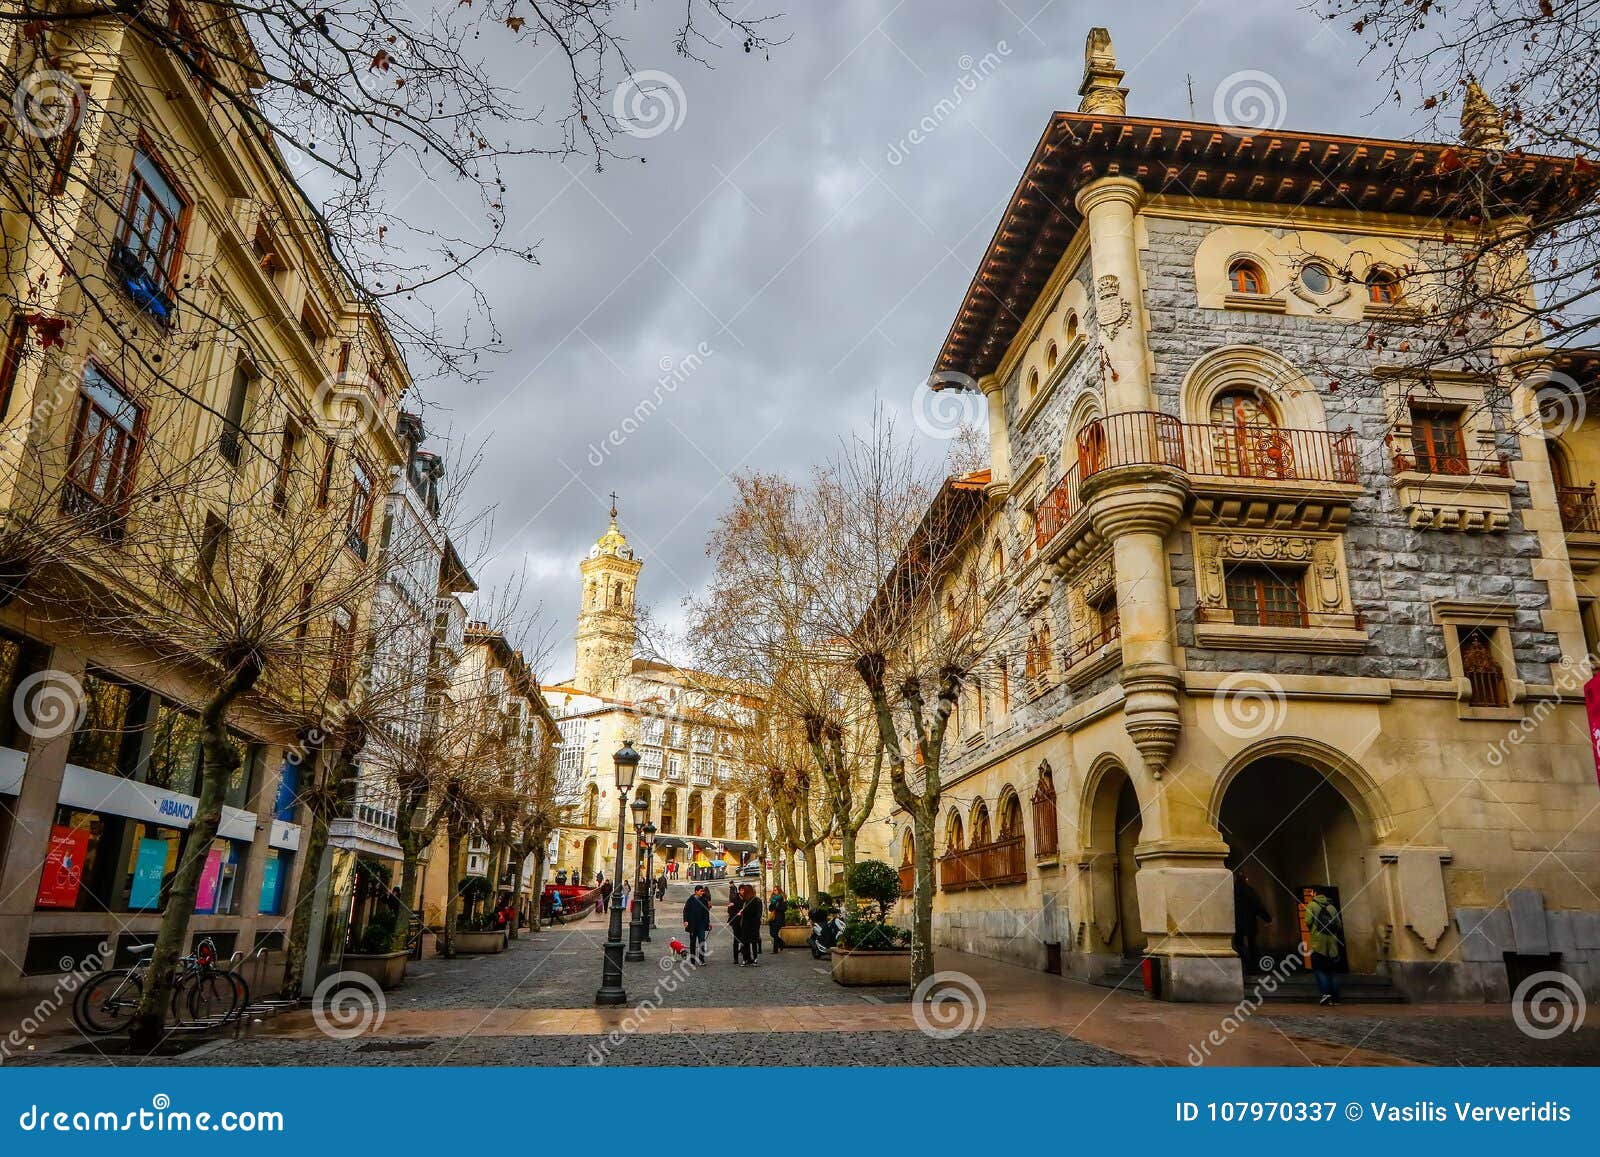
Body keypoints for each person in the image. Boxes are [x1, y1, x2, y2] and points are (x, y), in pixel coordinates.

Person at [1304, 888, 1343, 1006]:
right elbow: (1339, 925)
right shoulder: (1332, 907)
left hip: (1318, 943)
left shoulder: (1311, 905)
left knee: (1320, 970)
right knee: (1332, 971)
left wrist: (1314, 930)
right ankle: (1335, 997)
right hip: (1332, 945)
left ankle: (1326, 994)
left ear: (1314, 893)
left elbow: (1307, 921)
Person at [1232, 870, 1272, 972]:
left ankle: (1245, 961)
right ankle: (1253, 966)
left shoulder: (1232, 891)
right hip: (1250, 922)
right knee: (1252, 945)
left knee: (1238, 943)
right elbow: (1257, 905)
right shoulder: (1250, 891)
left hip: (1237, 922)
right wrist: (1267, 918)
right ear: (1245, 880)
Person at [734, 884, 764, 966]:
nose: (743, 892)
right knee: (745, 942)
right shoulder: (745, 901)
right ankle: (745, 959)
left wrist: (743, 912)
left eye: (744, 891)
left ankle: (755, 959)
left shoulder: (756, 900)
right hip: (745, 925)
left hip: (753, 925)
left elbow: (758, 914)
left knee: (753, 942)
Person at [682, 884, 711, 964]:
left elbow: (706, 912)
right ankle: (692, 960)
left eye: (702, 891)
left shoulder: (704, 900)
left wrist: (708, 923)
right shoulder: (690, 900)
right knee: (692, 943)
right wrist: (685, 921)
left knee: (702, 941)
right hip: (692, 925)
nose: (702, 892)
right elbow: (685, 911)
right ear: (696, 891)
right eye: (701, 891)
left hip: (701, 925)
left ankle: (701, 959)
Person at [767, 886, 787, 953]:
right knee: (772, 934)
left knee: (775, 933)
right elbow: (770, 909)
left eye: (776, 890)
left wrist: (777, 907)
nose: (774, 891)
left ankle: (775, 950)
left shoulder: (783, 898)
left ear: (779, 891)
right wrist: (773, 905)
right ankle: (781, 943)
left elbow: (784, 908)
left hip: (779, 918)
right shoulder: (773, 899)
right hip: (773, 918)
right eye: (774, 890)